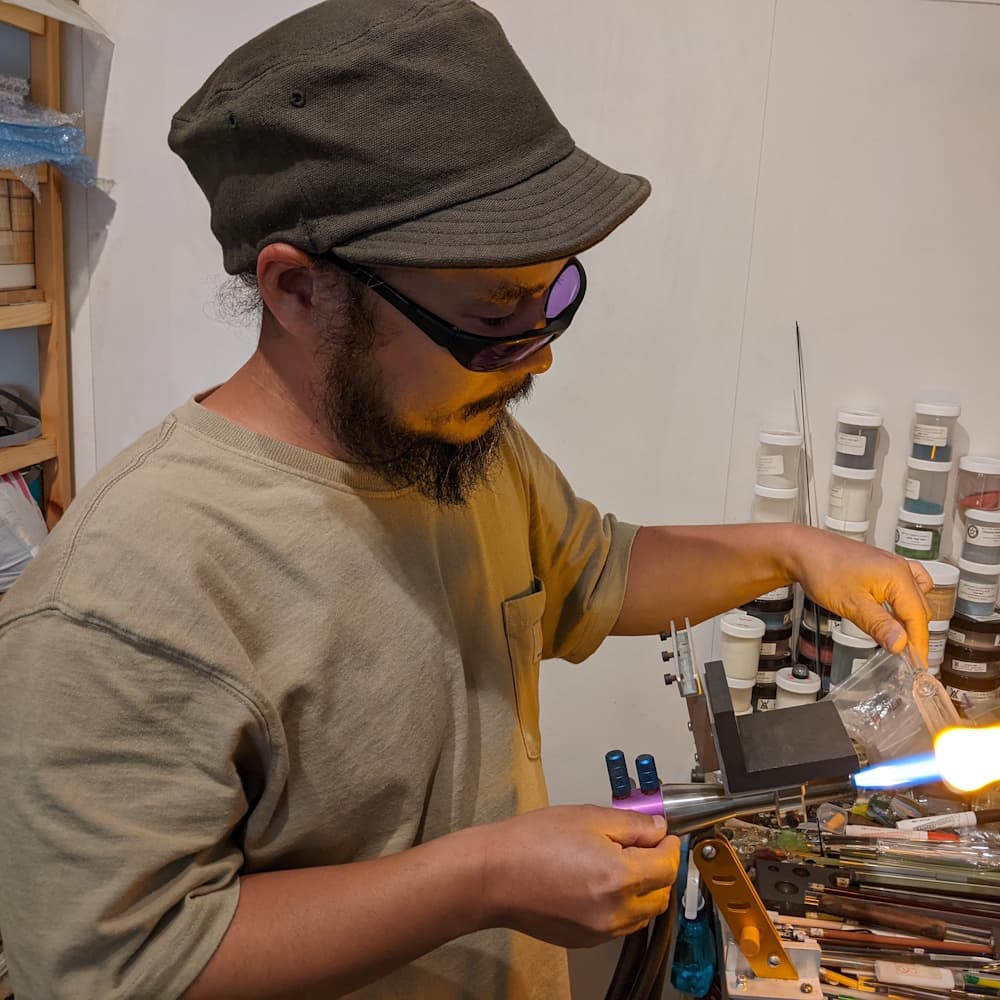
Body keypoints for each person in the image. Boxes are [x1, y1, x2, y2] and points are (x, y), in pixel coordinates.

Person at [0, 1, 931, 998]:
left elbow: (595, 571)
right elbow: (119, 966)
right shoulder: (121, 596)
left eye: (550, 298)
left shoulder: (455, 442)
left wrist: (793, 550)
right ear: (298, 290)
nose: (535, 357)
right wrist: (482, 879)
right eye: (492, 314)